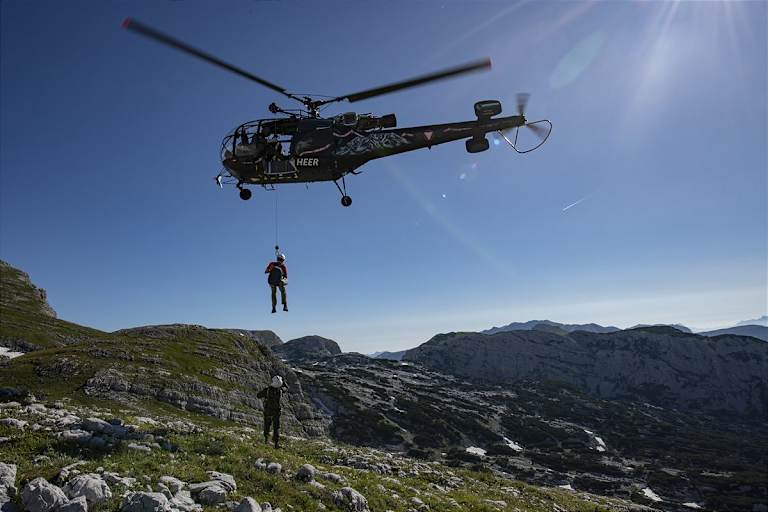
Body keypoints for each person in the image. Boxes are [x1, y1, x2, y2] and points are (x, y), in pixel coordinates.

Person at [256, 375, 288, 448]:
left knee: (267, 426)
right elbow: (286, 388)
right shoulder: (280, 390)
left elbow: (258, 395)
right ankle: (276, 444)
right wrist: (284, 383)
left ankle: (266, 440)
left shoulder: (267, 390)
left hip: (268, 411)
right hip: (277, 411)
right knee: (276, 427)